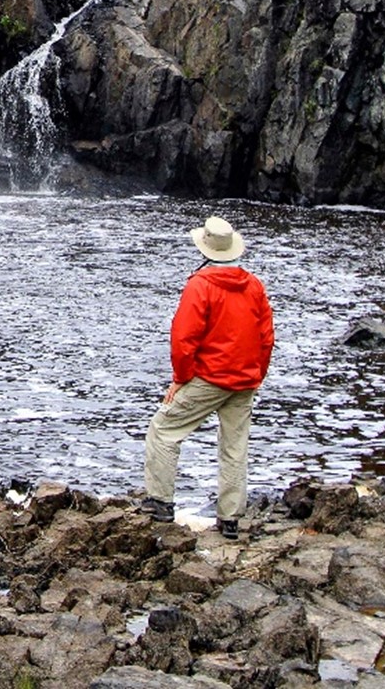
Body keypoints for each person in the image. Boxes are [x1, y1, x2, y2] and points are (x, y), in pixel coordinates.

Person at [142, 215, 275, 539]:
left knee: (164, 430)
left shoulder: (200, 285)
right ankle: (229, 520)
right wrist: (257, 374)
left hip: (210, 378)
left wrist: (180, 379)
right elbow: (266, 336)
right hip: (245, 380)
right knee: (234, 448)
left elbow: (183, 339)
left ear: (205, 250)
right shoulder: (253, 284)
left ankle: (160, 502)